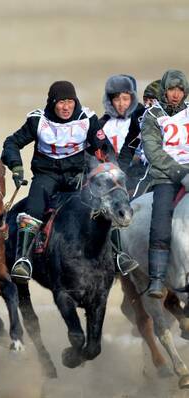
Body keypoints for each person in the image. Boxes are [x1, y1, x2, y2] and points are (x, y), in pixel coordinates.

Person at [2, 81, 112, 282]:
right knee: (33, 211)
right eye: (61, 102)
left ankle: (117, 256)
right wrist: (16, 166)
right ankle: (23, 259)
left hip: (77, 177)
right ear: (52, 103)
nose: (66, 107)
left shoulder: (87, 119)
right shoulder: (38, 121)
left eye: (70, 101)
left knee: (103, 209)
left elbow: (104, 148)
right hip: (46, 176)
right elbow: (12, 142)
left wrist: (102, 158)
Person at [141, 69, 189, 298]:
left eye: (180, 89)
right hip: (166, 177)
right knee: (160, 220)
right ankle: (157, 279)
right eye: (172, 89)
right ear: (164, 90)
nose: (176, 94)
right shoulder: (152, 116)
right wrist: (181, 174)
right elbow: (153, 151)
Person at [99, 74, 145, 274]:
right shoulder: (102, 124)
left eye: (126, 98)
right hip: (112, 178)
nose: (121, 104)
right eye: (116, 99)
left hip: (137, 174)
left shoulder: (143, 119)